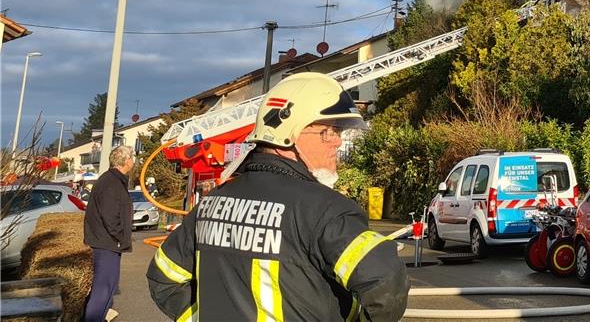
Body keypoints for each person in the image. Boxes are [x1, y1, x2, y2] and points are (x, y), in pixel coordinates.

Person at [147, 72, 409, 321]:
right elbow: (386, 286)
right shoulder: (327, 210)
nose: (337, 142)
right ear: (291, 134)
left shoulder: (211, 204)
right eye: (329, 131)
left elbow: (164, 278)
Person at [83, 145, 135, 322]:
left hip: (107, 241)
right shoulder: (111, 183)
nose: (133, 161)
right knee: (103, 289)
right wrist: (120, 237)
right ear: (126, 161)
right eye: (132, 157)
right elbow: (110, 216)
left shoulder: (112, 180)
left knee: (108, 287)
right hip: (107, 243)